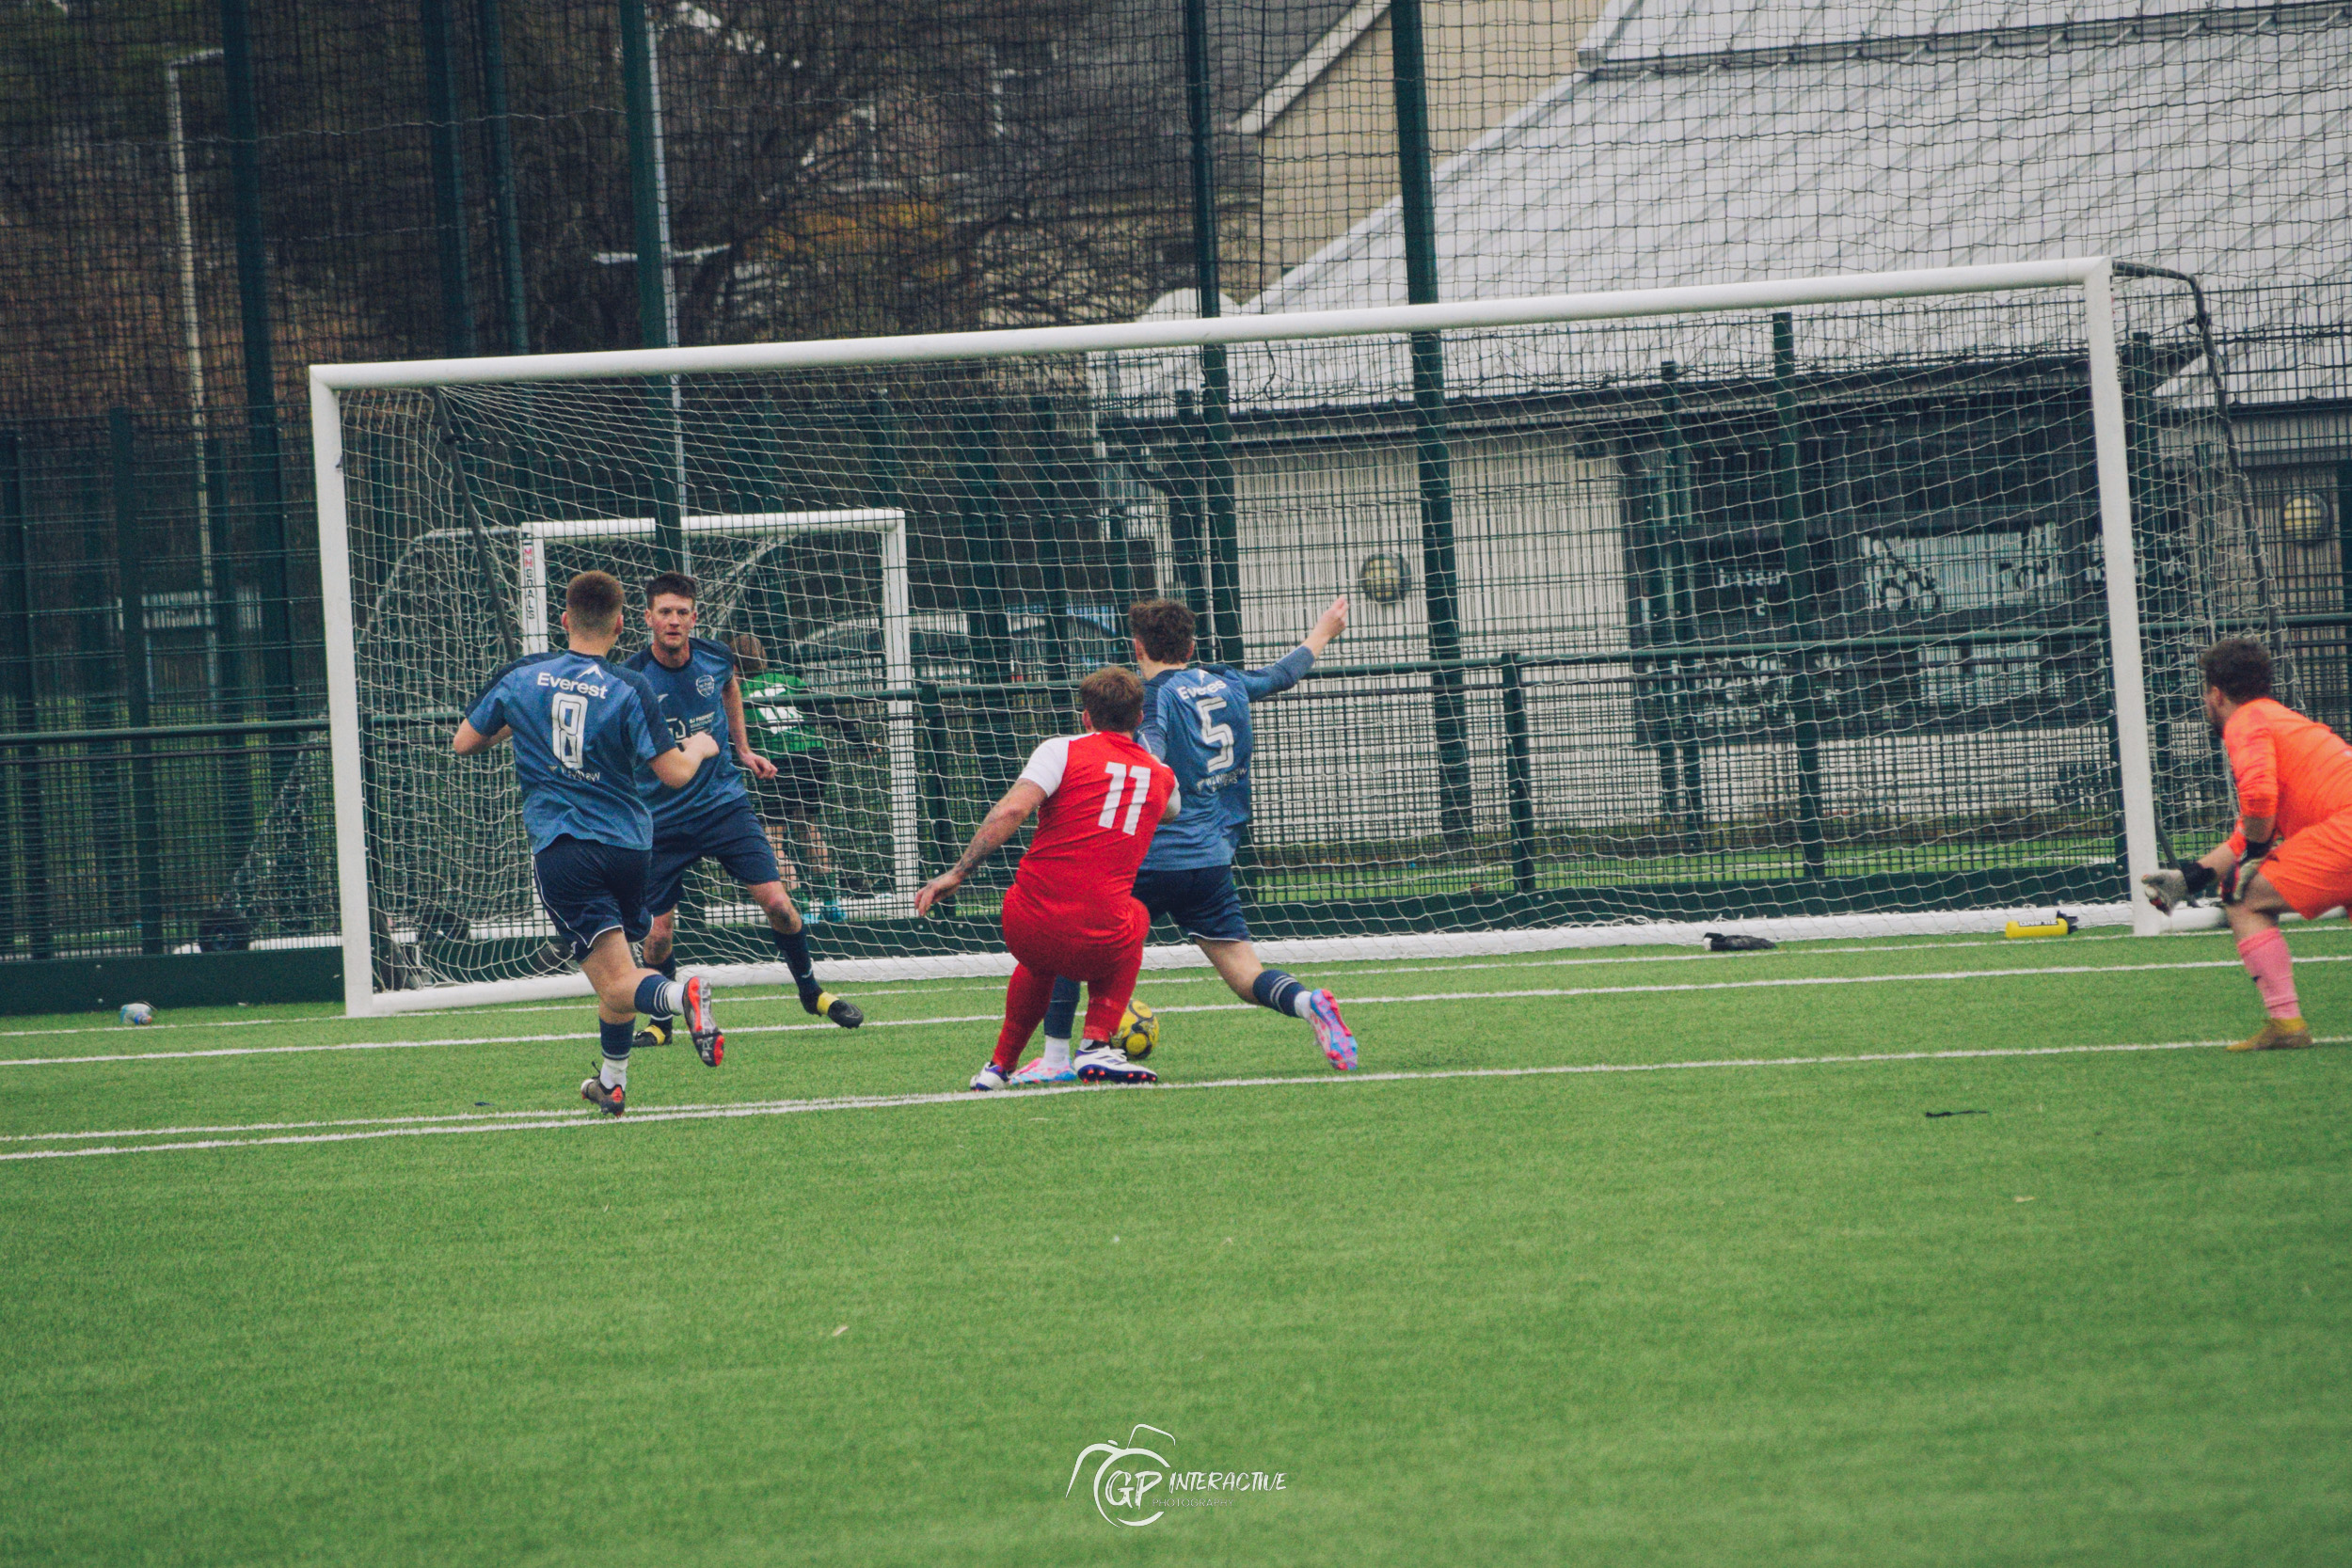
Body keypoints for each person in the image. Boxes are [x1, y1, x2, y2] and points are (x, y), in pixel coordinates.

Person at [1012, 595, 1358, 1086]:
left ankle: (1056, 1057)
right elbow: (1281, 675)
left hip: (1151, 858)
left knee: (1072, 940)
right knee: (1243, 974)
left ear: (1137, 647)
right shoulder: (1227, 681)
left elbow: (1149, 755)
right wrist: (1322, 632)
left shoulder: (1153, 697)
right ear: (1192, 645)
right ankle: (1308, 1003)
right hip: (1211, 858)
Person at [453, 570, 723, 1115]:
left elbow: (464, 742)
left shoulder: (522, 677)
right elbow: (673, 773)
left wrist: (527, 721)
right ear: (623, 624)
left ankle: (679, 996)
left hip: (566, 849)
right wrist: (700, 747)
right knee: (615, 975)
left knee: (620, 981)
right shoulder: (630, 686)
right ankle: (612, 1083)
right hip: (629, 850)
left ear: (563, 620)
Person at [621, 573, 863, 1047]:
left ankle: (810, 992)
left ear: (695, 617)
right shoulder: (631, 678)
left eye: (682, 611)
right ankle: (662, 1024)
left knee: (779, 905)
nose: (673, 620)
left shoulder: (716, 657)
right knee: (658, 936)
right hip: (662, 819)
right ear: (648, 618)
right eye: (664, 612)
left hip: (724, 807)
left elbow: (730, 689)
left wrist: (743, 748)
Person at [914, 666, 1179, 1089]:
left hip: (1026, 922)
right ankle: (1096, 1044)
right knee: (1137, 915)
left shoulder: (1061, 750)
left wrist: (959, 873)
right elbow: (1171, 810)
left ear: (1086, 717)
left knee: (1039, 961)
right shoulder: (1161, 775)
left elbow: (1011, 811)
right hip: (1099, 934)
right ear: (1140, 716)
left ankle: (998, 1067)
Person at [2143, 637, 2352, 1050]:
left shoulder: (2245, 722)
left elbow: (2257, 798)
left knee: (2242, 897)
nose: (2206, 702)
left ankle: (2286, 1023)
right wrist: (2191, 878)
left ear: (2217, 694)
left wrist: (2254, 858)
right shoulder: (2280, 718)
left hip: (2344, 832)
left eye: (2206, 693)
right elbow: (2253, 827)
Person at [729, 630, 846, 906]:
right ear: (765, 659)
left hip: (776, 761)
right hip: (814, 755)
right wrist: (862, 743)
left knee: (773, 837)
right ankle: (831, 903)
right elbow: (827, 709)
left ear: (733, 666)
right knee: (808, 825)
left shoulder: (736, 692)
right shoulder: (790, 680)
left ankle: (801, 905)